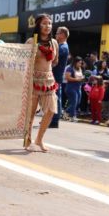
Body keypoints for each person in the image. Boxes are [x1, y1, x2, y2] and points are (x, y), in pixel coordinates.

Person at [24, 14, 58, 152]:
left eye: (49, 23)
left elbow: (55, 61)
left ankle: (39, 139)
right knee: (30, 114)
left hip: (49, 81)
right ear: (38, 25)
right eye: (44, 23)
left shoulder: (54, 43)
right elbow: (24, 63)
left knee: (51, 110)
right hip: (33, 81)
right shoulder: (31, 41)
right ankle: (28, 139)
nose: (47, 26)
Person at [49, 26, 69, 128]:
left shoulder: (63, 48)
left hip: (56, 76)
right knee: (53, 97)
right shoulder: (60, 46)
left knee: (55, 98)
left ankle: (54, 120)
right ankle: (51, 119)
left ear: (63, 35)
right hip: (54, 76)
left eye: (57, 33)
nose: (56, 35)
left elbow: (51, 58)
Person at [64, 56, 84, 122]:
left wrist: (83, 78)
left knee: (77, 102)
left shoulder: (80, 69)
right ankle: (73, 116)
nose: (80, 64)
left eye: (81, 63)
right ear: (75, 62)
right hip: (71, 87)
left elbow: (81, 76)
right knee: (74, 102)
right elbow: (67, 78)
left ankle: (66, 112)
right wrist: (77, 79)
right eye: (79, 63)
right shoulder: (70, 68)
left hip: (78, 88)